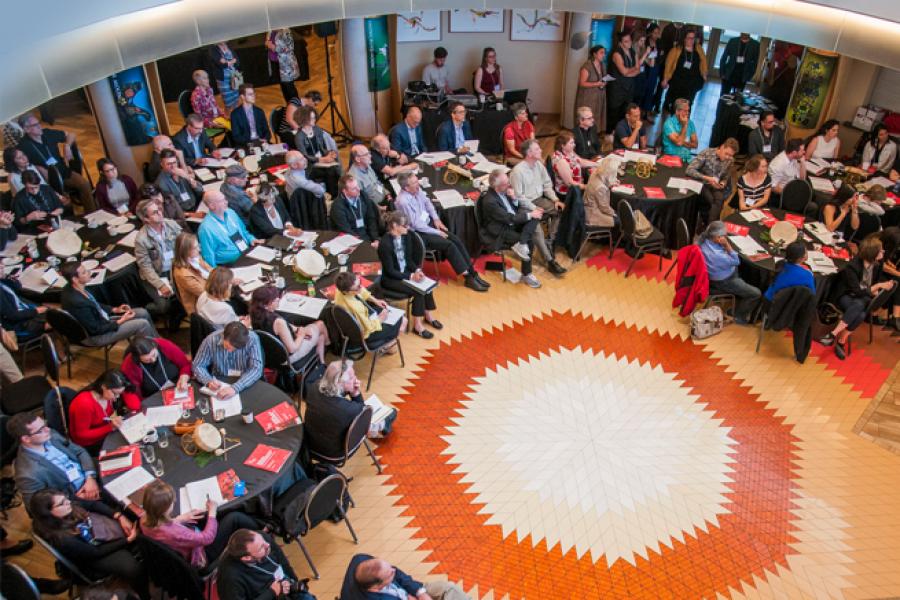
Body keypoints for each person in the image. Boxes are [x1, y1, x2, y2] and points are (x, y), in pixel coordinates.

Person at [29, 489, 147, 600]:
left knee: (132, 515)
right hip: (93, 554)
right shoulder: (61, 539)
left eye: (66, 498)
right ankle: (144, 595)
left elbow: (92, 505)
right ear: (49, 513)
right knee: (132, 568)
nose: (68, 502)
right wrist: (127, 540)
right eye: (62, 503)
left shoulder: (67, 504)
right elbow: (95, 553)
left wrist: (118, 516)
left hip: (97, 532)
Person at [394, 172, 489, 292]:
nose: (418, 184)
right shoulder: (403, 201)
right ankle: (467, 277)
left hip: (428, 225)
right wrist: (437, 232)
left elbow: (428, 203)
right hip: (418, 234)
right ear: (406, 188)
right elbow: (416, 225)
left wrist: (436, 219)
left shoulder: (416, 190)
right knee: (449, 245)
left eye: (417, 180)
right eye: (414, 183)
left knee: (456, 239)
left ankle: (472, 273)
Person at [141, 480, 258, 570]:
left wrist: (179, 519)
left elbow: (164, 527)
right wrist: (212, 512)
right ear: (164, 510)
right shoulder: (176, 533)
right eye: (172, 502)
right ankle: (260, 529)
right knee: (234, 517)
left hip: (187, 541)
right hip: (202, 555)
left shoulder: (144, 519)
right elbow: (207, 538)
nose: (174, 502)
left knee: (210, 516)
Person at [823, 236, 899, 358]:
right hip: (847, 295)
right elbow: (857, 291)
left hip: (864, 296)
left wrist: (876, 288)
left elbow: (874, 281)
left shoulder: (878, 263)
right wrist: (877, 286)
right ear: (872, 253)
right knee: (861, 312)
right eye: (880, 250)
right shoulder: (852, 267)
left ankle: (833, 335)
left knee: (860, 307)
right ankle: (841, 341)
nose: (883, 252)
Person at [305, 360, 397, 460]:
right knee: (386, 415)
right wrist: (355, 393)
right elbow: (363, 414)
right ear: (339, 382)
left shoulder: (313, 388)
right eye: (352, 377)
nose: (355, 379)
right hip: (335, 455)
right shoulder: (349, 409)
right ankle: (382, 424)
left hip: (311, 445)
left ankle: (381, 426)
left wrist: (348, 389)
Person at [8, 412, 101, 506]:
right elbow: (37, 507)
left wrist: (90, 477)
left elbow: (79, 451)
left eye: (45, 424)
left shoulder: (50, 435)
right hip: (75, 498)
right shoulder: (27, 474)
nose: (48, 429)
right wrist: (75, 500)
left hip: (89, 474)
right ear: (26, 439)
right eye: (40, 430)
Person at [59, 261, 158, 347]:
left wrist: (114, 309)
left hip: (103, 320)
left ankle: (158, 342)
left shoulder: (73, 287)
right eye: (84, 272)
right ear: (75, 279)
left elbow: (94, 304)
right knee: (142, 324)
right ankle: (152, 350)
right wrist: (122, 320)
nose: (89, 273)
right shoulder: (77, 302)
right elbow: (96, 330)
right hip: (96, 336)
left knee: (142, 312)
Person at [378, 212, 441, 339]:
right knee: (418, 291)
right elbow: (390, 271)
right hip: (391, 279)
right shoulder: (385, 244)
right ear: (395, 226)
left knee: (426, 285)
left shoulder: (406, 237)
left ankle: (428, 315)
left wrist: (417, 270)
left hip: (405, 272)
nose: (408, 227)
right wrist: (411, 276)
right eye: (405, 225)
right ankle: (417, 325)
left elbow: (409, 260)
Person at [512, 139, 569, 277]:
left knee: (561, 210)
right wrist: (534, 208)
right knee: (536, 229)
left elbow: (547, 185)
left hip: (539, 200)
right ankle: (550, 261)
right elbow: (519, 197)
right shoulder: (517, 172)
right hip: (525, 205)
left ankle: (550, 241)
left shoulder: (539, 165)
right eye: (537, 149)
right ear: (529, 153)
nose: (541, 150)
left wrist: (555, 200)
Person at [480, 170, 543, 289]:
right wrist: (529, 215)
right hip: (500, 231)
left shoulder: (503, 192)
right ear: (497, 186)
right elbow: (509, 218)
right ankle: (526, 274)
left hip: (511, 223)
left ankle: (521, 243)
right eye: (506, 183)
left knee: (536, 216)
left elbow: (513, 210)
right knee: (529, 240)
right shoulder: (490, 201)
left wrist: (514, 198)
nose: (509, 185)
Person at [17, 114, 95, 210]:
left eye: (39, 123)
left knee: (84, 184)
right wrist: (38, 168)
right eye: (35, 125)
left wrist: (67, 146)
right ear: (26, 129)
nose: (39, 126)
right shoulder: (23, 146)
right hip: (46, 181)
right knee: (66, 203)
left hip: (63, 171)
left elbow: (71, 134)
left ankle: (92, 212)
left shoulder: (47, 133)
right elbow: (24, 166)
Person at [698, 221, 761, 324]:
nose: (726, 237)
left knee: (747, 269)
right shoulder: (717, 256)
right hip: (725, 281)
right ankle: (739, 316)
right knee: (756, 293)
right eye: (724, 235)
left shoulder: (704, 240)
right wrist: (727, 245)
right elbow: (736, 261)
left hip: (718, 273)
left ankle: (741, 294)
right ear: (717, 238)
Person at [249, 285, 327, 364]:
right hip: (286, 357)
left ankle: (322, 362)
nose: (278, 299)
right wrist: (301, 335)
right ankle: (330, 351)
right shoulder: (278, 322)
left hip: (269, 355)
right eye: (274, 300)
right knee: (320, 325)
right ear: (265, 306)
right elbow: (292, 349)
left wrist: (297, 329)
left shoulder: (255, 314)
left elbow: (286, 326)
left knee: (320, 336)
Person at [216, 530, 303, 600]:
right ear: (247, 557)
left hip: (281, 583)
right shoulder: (230, 578)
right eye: (261, 548)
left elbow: (284, 563)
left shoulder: (262, 538)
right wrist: (272, 592)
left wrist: (294, 582)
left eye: (263, 540)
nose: (267, 544)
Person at [68, 369, 141, 453]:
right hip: (89, 444)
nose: (117, 397)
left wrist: (124, 389)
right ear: (103, 386)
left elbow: (135, 406)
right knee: (130, 447)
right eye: (115, 393)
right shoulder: (84, 404)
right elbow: (81, 434)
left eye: (120, 393)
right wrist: (110, 427)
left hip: (103, 432)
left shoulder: (106, 394)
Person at [134, 199, 183, 323]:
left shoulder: (171, 224)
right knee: (163, 306)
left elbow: (183, 245)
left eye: (159, 210)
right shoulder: (141, 239)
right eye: (155, 212)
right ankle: (146, 311)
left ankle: (177, 313)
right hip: (157, 274)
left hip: (174, 269)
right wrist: (160, 285)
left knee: (184, 292)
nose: (160, 213)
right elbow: (145, 267)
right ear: (146, 219)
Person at [341, 553, 470, 600]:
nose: (394, 570)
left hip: (407, 590)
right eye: (390, 574)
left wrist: (420, 593)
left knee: (449, 589)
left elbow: (397, 573)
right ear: (376, 587)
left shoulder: (360, 560)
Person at [334, 271, 406, 349]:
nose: (361, 287)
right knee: (401, 320)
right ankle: (387, 345)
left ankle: (388, 343)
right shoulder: (356, 308)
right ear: (347, 291)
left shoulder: (340, 290)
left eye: (359, 283)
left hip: (358, 324)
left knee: (392, 315)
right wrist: (380, 319)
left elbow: (362, 291)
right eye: (357, 287)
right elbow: (368, 328)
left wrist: (376, 300)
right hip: (367, 334)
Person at [193, 322, 263, 398]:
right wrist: (208, 380)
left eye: (236, 349)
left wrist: (235, 388)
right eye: (227, 346)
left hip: (244, 380)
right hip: (220, 380)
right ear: (223, 335)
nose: (230, 351)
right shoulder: (210, 341)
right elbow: (198, 365)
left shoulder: (252, 339)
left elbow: (256, 368)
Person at [197, 190, 260, 267]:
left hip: (247, 252)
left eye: (225, 199)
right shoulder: (205, 229)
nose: (226, 202)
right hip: (230, 264)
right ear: (212, 206)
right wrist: (218, 273)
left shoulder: (231, 212)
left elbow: (244, 232)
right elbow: (208, 257)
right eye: (222, 201)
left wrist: (251, 239)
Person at [686, 138, 738, 225]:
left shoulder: (730, 160)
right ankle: (711, 226)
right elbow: (689, 170)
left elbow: (726, 176)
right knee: (711, 201)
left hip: (715, 185)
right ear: (722, 147)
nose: (728, 157)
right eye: (726, 154)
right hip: (702, 182)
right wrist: (707, 178)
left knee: (719, 199)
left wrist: (722, 183)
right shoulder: (707, 153)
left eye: (730, 155)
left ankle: (710, 226)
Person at [120, 336, 191, 400]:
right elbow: (131, 392)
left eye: (154, 354)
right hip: (154, 397)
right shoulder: (129, 366)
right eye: (147, 360)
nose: (153, 360)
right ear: (137, 358)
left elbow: (185, 364)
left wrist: (184, 378)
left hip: (179, 388)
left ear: (155, 346)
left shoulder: (163, 345)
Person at [293, 105, 341, 196]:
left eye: (314, 117)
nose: (314, 120)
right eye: (312, 118)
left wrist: (330, 153)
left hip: (321, 160)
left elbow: (322, 148)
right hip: (310, 165)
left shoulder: (317, 129)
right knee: (330, 171)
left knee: (335, 169)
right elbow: (305, 156)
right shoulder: (299, 137)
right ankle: (333, 195)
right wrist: (321, 159)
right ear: (304, 120)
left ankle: (335, 194)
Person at [661, 28, 707, 113]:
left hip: (692, 83)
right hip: (678, 82)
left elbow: (703, 61)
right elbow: (668, 65)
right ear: (684, 38)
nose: (692, 40)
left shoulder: (698, 48)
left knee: (688, 105)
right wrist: (665, 79)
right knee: (676, 105)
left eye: (693, 38)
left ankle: (684, 120)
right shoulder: (676, 49)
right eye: (689, 38)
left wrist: (704, 74)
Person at [606, 32, 642, 131]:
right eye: (626, 41)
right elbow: (624, 71)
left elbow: (638, 70)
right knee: (614, 112)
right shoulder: (617, 54)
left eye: (630, 40)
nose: (629, 43)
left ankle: (621, 132)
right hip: (617, 88)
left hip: (629, 86)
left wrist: (630, 72)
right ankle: (610, 133)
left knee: (626, 111)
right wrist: (633, 69)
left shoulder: (633, 52)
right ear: (620, 43)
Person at [331, 174, 380, 243]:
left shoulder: (363, 196)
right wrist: (367, 244)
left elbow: (371, 219)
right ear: (345, 191)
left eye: (357, 186)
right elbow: (347, 231)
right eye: (354, 188)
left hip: (369, 236)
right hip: (353, 241)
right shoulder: (337, 207)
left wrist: (375, 239)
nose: (358, 189)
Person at [173, 232, 212, 314]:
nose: (199, 249)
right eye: (195, 248)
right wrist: (225, 283)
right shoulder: (183, 274)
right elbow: (205, 293)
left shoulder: (196, 257)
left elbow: (211, 270)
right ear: (185, 251)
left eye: (198, 246)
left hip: (213, 294)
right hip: (202, 306)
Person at [155, 148, 204, 212]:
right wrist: (190, 214)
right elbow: (171, 208)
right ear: (162, 164)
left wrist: (187, 177)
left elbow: (200, 190)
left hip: (197, 205)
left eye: (174, 162)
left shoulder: (181, 172)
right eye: (169, 164)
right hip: (184, 213)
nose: (173, 166)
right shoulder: (161, 183)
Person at [1, 276, 47, 341]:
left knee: (52, 311)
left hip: (23, 308)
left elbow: (18, 288)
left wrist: (10, 278)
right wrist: (36, 311)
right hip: (18, 324)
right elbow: (13, 315)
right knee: (55, 319)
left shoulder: (2, 282)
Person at [574, 45, 608, 134]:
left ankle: (594, 133)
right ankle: (584, 135)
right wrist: (597, 84)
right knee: (587, 115)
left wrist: (604, 83)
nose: (604, 55)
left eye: (604, 53)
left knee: (596, 114)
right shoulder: (586, 66)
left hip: (599, 96)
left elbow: (604, 78)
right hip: (588, 97)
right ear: (594, 54)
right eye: (601, 53)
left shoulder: (603, 65)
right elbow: (582, 83)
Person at [551, 131, 597, 196]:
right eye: (571, 143)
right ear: (563, 146)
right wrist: (587, 187)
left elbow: (581, 161)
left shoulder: (569, 151)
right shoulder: (561, 161)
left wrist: (598, 164)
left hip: (579, 184)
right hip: (570, 193)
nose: (574, 145)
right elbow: (570, 184)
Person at [583, 156, 620, 229]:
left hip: (587, 205)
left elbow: (603, 181)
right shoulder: (600, 188)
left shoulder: (596, 172)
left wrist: (611, 182)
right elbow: (604, 208)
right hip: (592, 214)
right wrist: (614, 213)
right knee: (619, 220)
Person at [266, 29, 301, 104]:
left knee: (289, 88)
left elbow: (290, 48)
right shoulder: (270, 30)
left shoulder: (286, 31)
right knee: (283, 87)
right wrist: (267, 44)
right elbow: (269, 43)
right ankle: (289, 106)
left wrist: (274, 47)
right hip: (276, 64)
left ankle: (297, 107)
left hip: (286, 65)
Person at [208, 41, 241, 113]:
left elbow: (237, 60)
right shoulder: (213, 49)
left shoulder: (229, 45)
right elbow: (221, 64)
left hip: (234, 76)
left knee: (236, 98)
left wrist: (228, 62)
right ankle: (228, 116)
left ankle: (236, 116)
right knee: (228, 101)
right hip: (223, 79)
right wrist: (232, 61)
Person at [638, 24, 662, 119]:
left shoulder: (659, 42)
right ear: (650, 32)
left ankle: (647, 111)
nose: (656, 35)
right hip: (644, 68)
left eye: (658, 33)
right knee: (643, 89)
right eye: (654, 33)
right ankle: (640, 111)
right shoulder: (645, 41)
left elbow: (660, 56)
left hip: (654, 68)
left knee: (651, 89)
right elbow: (642, 55)